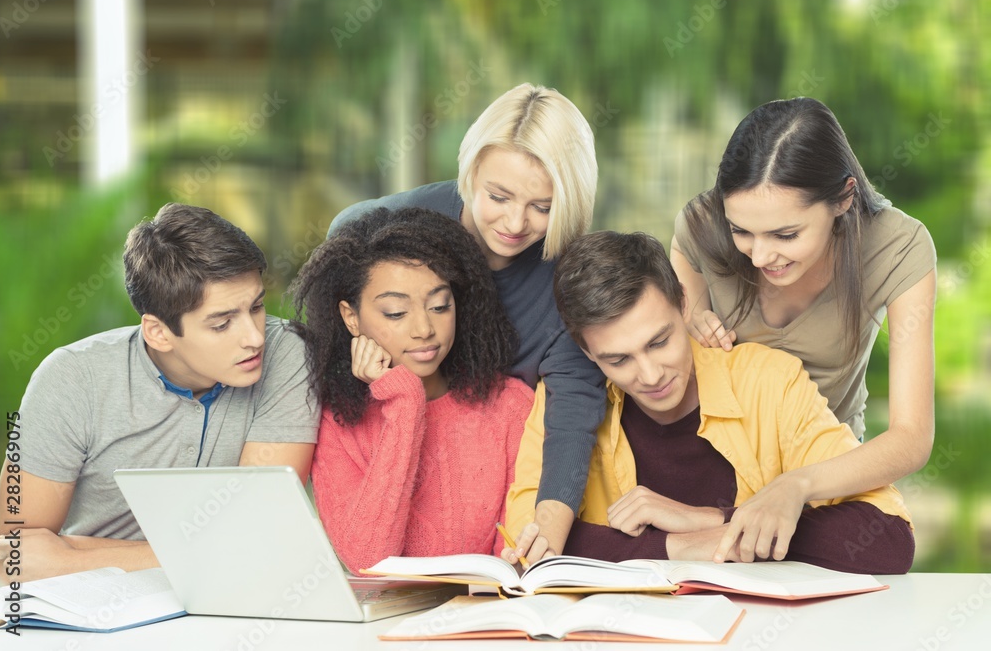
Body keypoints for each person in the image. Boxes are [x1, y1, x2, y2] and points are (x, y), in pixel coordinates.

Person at [504, 231, 914, 574]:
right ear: (586, 351)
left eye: (659, 342)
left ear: (683, 303)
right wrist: (682, 547)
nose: (649, 376)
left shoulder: (770, 381)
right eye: (618, 359)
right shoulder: (565, 401)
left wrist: (711, 521)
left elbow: (888, 540)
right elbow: (531, 542)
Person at [327, 83, 606, 557]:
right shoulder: (399, 223)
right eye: (498, 196)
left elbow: (574, 407)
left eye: (542, 207)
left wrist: (551, 520)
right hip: (386, 459)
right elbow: (342, 249)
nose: (516, 223)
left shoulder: (567, 281)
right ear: (472, 170)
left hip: (494, 483)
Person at [0, 203, 320, 582]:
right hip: (97, 611)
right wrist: (201, 555)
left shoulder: (289, 352)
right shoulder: (69, 378)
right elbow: (13, 556)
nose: (254, 337)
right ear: (159, 332)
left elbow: (255, 535)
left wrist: (73, 552)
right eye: (222, 324)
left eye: (257, 306)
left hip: (234, 601)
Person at [670, 97, 935, 562]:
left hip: (823, 474)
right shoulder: (701, 226)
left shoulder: (898, 248)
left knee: (876, 547)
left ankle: (721, 526)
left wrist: (796, 486)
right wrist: (690, 316)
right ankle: (722, 522)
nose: (758, 256)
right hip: (714, 464)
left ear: (844, 198)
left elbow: (911, 436)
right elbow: (673, 306)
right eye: (741, 231)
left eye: (785, 235)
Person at [290, 207, 534, 575]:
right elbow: (368, 561)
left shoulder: (510, 406)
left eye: (439, 306)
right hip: (380, 629)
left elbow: (514, 564)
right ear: (350, 316)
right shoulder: (335, 421)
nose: (424, 328)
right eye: (395, 313)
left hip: (487, 622)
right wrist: (404, 401)